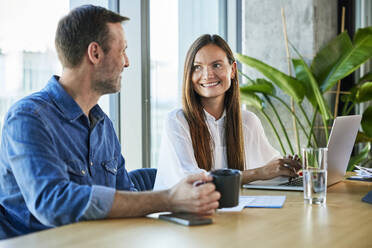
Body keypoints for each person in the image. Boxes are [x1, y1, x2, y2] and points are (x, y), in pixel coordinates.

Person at [0, 5, 220, 240]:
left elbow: (126, 195)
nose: (127, 62)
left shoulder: (102, 124)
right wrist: (169, 198)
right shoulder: (28, 118)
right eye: (122, 50)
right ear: (95, 53)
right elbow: (52, 202)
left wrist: (180, 195)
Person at [154, 34, 301, 190]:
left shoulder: (247, 121)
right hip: (184, 213)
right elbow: (192, 182)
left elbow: (270, 171)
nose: (207, 75)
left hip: (232, 211)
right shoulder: (177, 120)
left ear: (233, 70)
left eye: (216, 65)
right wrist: (257, 173)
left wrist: (290, 169)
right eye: (197, 67)